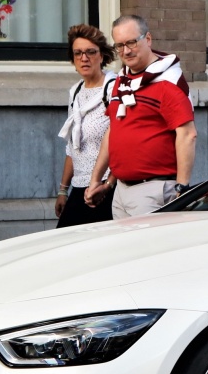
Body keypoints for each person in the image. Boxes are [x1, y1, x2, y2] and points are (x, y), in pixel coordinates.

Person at [85, 14, 196, 219]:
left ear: (148, 39)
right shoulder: (123, 80)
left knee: (151, 250)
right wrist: (99, 181)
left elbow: (187, 135)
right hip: (120, 190)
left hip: (153, 190)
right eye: (119, 46)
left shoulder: (168, 82)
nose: (126, 51)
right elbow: (114, 131)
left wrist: (182, 188)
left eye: (131, 42)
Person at [55, 24, 117, 227]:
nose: (84, 58)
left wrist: (108, 185)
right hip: (79, 187)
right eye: (78, 53)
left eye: (91, 52)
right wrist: (63, 190)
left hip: (106, 188)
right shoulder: (75, 93)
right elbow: (72, 147)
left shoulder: (114, 88)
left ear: (102, 55)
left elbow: (124, 141)